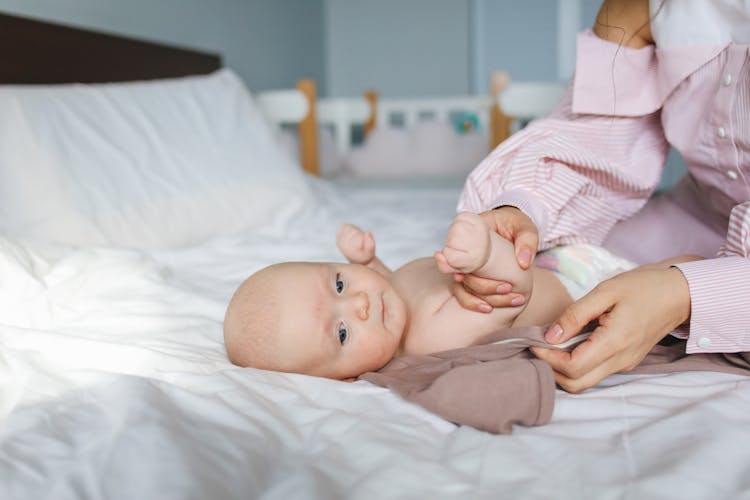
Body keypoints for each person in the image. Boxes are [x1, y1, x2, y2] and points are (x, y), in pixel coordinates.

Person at [452, 0, 750, 393]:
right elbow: (595, 144)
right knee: (574, 268)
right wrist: (523, 208)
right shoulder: (645, 9)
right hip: (701, 213)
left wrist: (685, 296)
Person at [223, 214, 640, 380]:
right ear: (346, 378)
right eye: (344, 334)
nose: (360, 303)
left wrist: (370, 263)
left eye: (338, 284)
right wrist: (488, 255)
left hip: (555, 255)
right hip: (589, 288)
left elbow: (395, 286)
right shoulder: (432, 340)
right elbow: (509, 296)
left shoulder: (387, 303)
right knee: (676, 268)